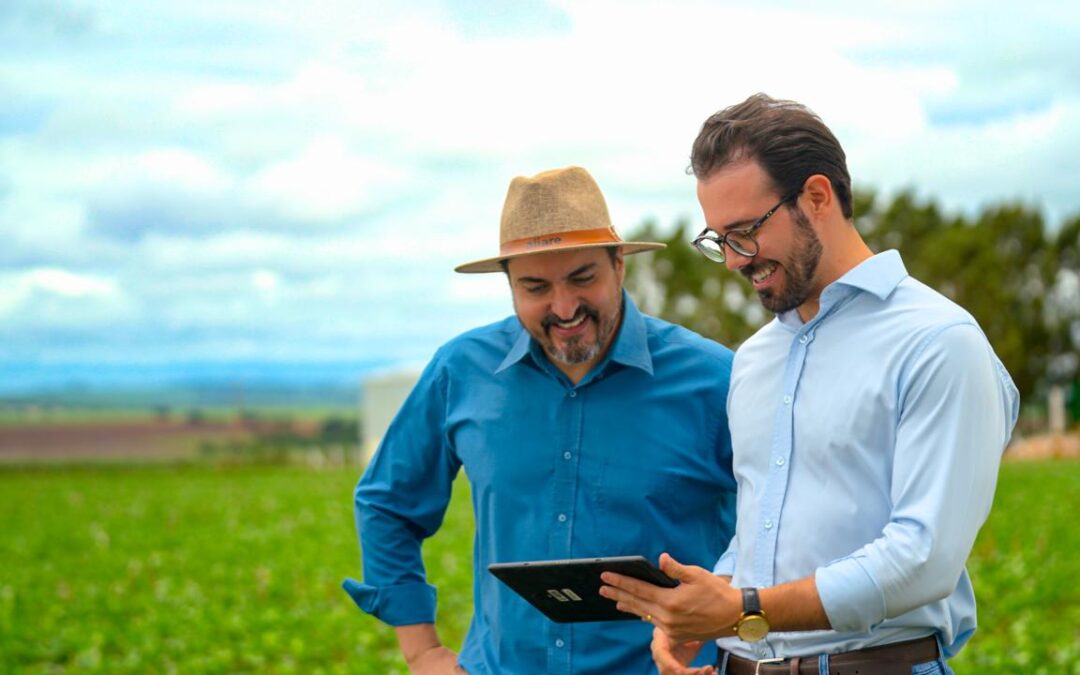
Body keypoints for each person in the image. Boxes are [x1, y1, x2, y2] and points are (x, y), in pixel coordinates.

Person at [600, 94, 1019, 675]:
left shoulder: (937, 341)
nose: (734, 261)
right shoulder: (754, 359)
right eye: (719, 239)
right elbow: (760, 534)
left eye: (745, 232)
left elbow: (923, 559)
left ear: (817, 197)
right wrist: (704, 608)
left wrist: (743, 609)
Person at [344, 165, 738, 674]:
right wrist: (423, 652)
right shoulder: (460, 370)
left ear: (618, 266)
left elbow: (786, 527)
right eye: (536, 287)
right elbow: (387, 503)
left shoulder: (715, 380)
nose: (565, 306)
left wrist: (735, 608)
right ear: (509, 285)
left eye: (583, 278)